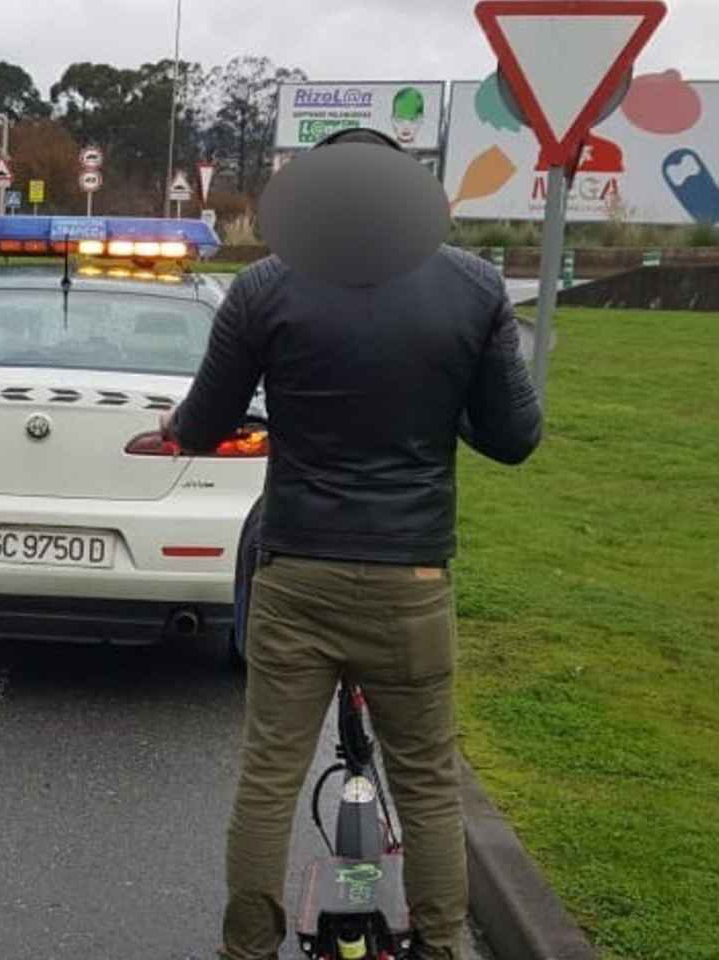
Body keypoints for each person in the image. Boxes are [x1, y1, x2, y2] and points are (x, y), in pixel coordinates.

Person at [166, 127, 543, 960]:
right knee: (429, 783)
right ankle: (444, 945)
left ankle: (247, 948)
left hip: (298, 569)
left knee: (269, 775)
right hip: (412, 575)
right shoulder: (475, 287)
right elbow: (516, 437)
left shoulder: (264, 288)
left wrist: (174, 426)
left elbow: (206, 422)